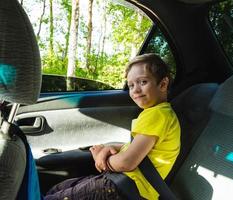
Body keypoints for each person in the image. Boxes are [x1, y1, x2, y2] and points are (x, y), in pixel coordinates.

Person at [44, 53, 181, 200]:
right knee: (58, 189)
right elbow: (140, 147)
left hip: (123, 189)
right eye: (131, 85)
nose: (135, 90)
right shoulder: (156, 113)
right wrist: (111, 148)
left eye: (142, 82)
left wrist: (102, 160)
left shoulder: (158, 116)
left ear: (163, 84)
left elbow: (127, 162)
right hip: (120, 183)